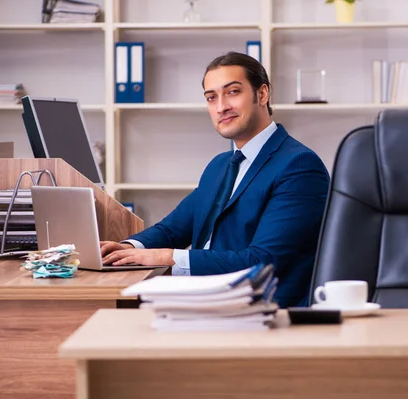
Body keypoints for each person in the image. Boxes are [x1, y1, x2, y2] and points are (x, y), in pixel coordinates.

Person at [100, 51, 330, 307]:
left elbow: (261, 260)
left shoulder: (298, 166)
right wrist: (128, 247)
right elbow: (172, 228)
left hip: (260, 311)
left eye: (233, 92)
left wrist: (166, 258)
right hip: (206, 302)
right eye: (211, 97)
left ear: (262, 94)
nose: (221, 107)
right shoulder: (220, 166)